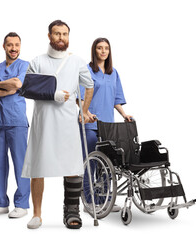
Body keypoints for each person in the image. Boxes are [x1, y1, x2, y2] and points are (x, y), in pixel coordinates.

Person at [21, 20, 94, 229]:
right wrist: (52, 95)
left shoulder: (77, 62)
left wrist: (84, 111)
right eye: (57, 34)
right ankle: (36, 214)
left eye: (64, 34)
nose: (61, 38)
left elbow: (89, 86)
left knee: (71, 166)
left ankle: (72, 211)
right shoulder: (37, 61)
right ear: (49, 36)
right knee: (38, 167)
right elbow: (27, 89)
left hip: (68, 122)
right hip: (43, 123)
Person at [79, 38, 133, 212]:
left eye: (106, 48)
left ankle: (105, 198)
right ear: (94, 51)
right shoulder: (87, 71)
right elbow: (79, 97)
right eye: (99, 48)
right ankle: (89, 200)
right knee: (91, 163)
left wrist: (124, 115)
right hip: (91, 125)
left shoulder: (113, 73)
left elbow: (116, 99)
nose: (103, 51)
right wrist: (86, 113)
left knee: (108, 165)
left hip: (108, 126)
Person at [0, 32, 30, 218]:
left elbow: (17, 83)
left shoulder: (25, 65)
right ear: (4, 47)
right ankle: (1, 203)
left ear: (20, 46)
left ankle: (22, 204)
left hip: (17, 121)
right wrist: (6, 89)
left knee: (21, 163)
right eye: (10, 45)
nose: (14, 49)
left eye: (17, 45)